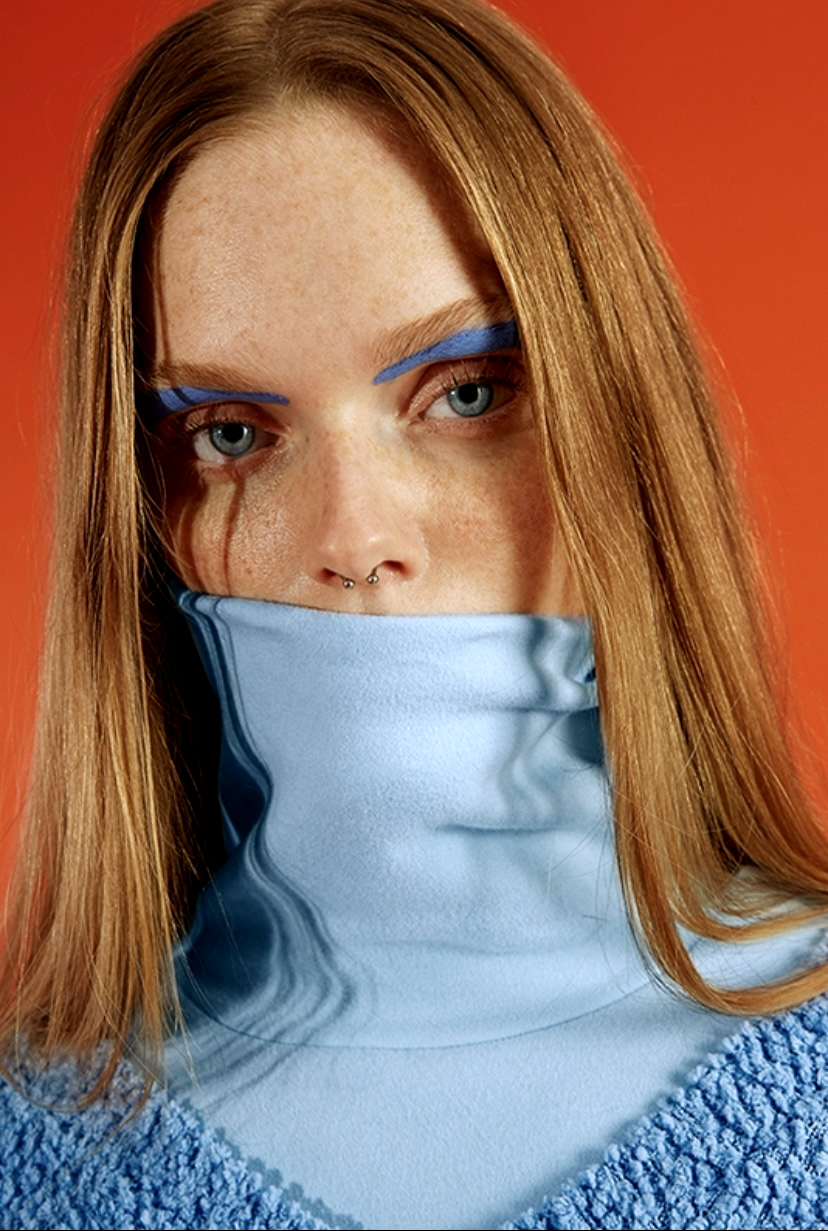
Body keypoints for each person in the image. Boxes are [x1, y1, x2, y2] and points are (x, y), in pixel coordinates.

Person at [2, 0, 828, 1227]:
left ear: (624, 426)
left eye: (468, 392)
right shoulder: (30, 1140)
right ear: (140, 515)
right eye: (229, 433)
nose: (353, 539)